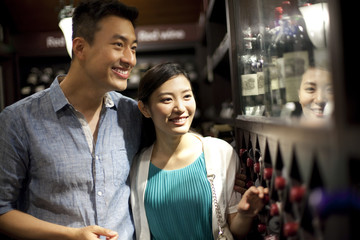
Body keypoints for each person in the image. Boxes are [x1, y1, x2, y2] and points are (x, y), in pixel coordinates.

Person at [0, 0, 141, 239]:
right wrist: (70, 235)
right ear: (80, 48)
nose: (130, 59)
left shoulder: (134, 114)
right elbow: (3, 209)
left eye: (134, 48)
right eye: (119, 45)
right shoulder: (18, 120)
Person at [131, 62, 268, 240]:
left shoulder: (220, 153)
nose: (180, 108)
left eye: (187, 96)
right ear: (144, 109)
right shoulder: (137, 166)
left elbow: (234, 230)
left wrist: (245, 214)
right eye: (167, 99)